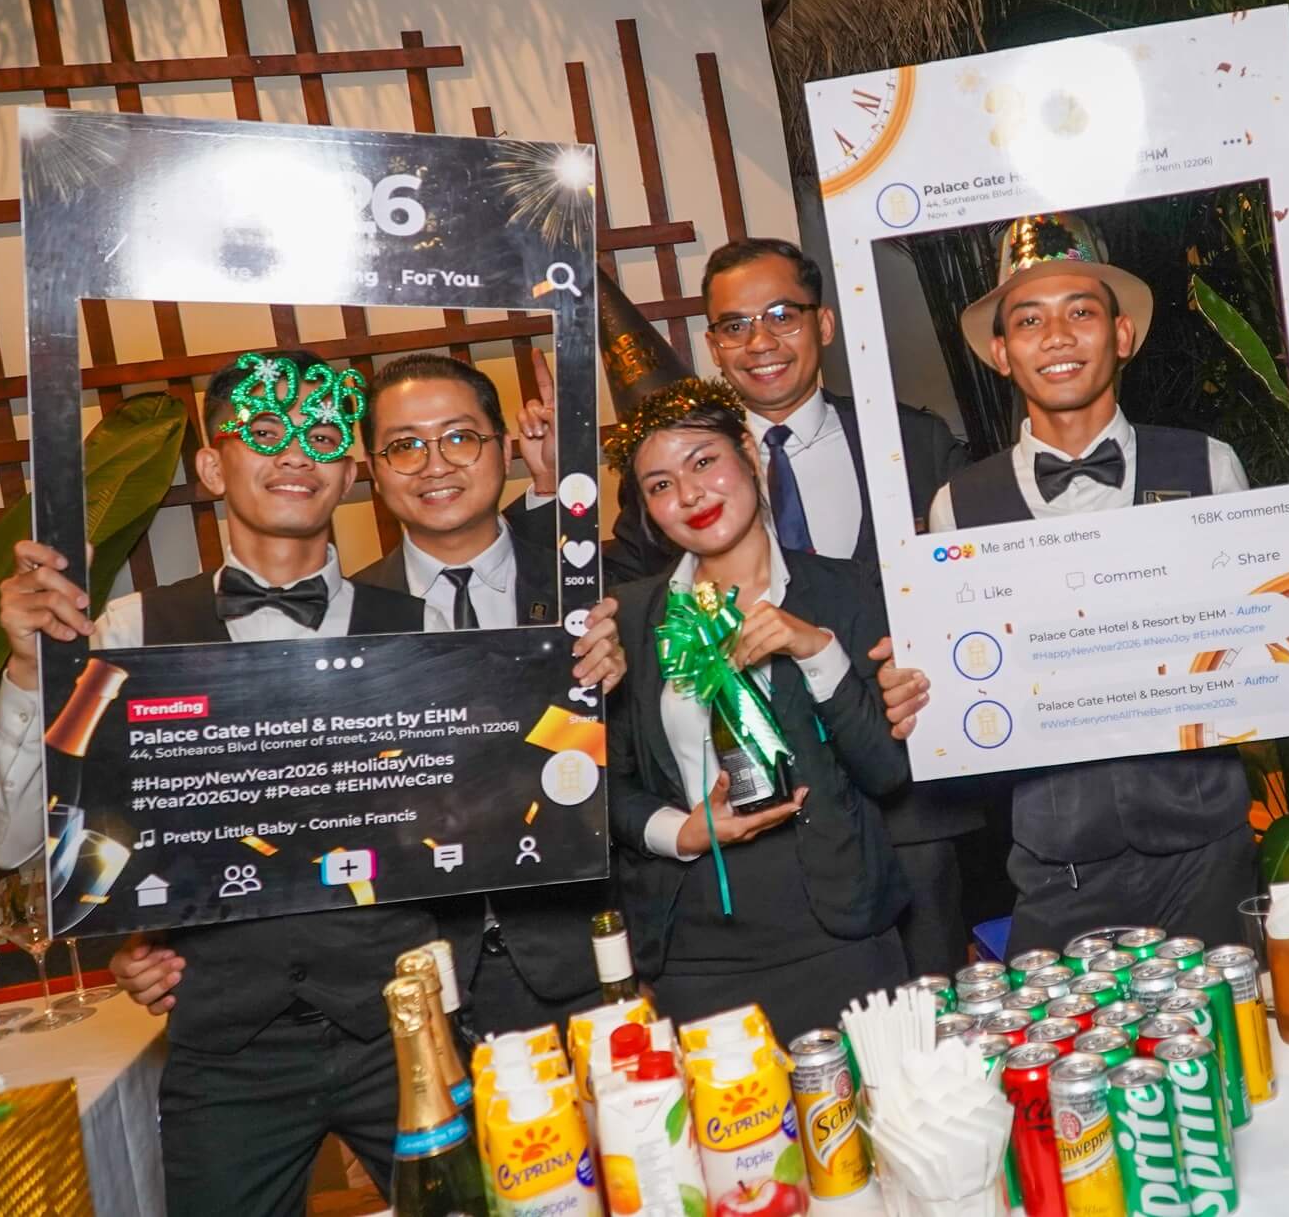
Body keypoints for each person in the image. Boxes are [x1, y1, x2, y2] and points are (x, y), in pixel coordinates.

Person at [0, 348, 588, 1215]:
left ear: (350, 470)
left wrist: (580, 685)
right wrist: (23, 670)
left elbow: (506, 816)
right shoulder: (128, 629)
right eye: (265, 430)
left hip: (405, 1028)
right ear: (211, 465)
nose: (296, 452)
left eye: (324, 434)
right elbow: (17, 840)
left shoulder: (425, 627)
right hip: (226, 1046)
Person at [885, 211, 1289, 952]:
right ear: (1001, 352)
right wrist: (919, 692)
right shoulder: (957, 506)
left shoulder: (1208, 465)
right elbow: (967, 685)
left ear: (1121, 335)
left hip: (1208, 852)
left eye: (1081, 312)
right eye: (1029, 320)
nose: (1057, 337)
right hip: (1056, 864)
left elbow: (1272, 642)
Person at [612, 238, 984, 978]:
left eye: (781, 314)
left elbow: (974, 594)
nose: (760, 341)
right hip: (731, 879)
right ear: (713, 344)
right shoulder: (677, 484)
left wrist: (931, 667)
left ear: (824, 323)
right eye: (734, 325)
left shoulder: (913, 441)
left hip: (907, 817)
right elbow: (614, 621)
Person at [602, 377, 912, 1043]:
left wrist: (818, 651)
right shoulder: (629, 617)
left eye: (704, 462)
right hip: (694, 948)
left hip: (837, 927)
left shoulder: (847, 589)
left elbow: (886, 771)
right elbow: (604, 784)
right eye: (660, 485)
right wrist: (677, 831)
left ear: (748, 452)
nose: (689, 495)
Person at [348, 350, 625, 1035]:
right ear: (374, 471)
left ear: (503, 447)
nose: (434, 464)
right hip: (422, 980)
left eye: (459, 437)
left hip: (599, 952)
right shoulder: (345, 620)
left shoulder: (596, 588)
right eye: (405, 446)